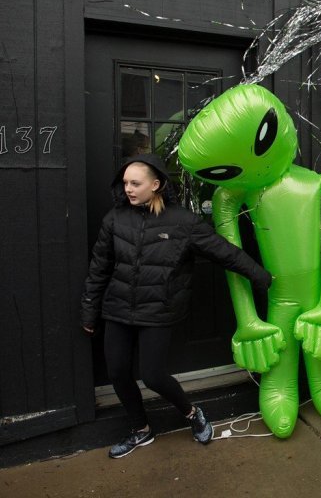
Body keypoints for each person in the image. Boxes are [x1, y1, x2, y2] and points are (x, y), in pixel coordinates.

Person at [81, 154, 273, 458]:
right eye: (125, 183)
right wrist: (89, 310)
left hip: (158, 310)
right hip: (117, 308)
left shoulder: (183, 221)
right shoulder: (115, 219)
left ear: (155, 184)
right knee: (117, 372)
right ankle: (140, 430)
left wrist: (261, 276)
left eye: (135, 183)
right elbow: (99, 268)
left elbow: (224, 252)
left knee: (154, 375)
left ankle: (191, 412)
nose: (128, 188)